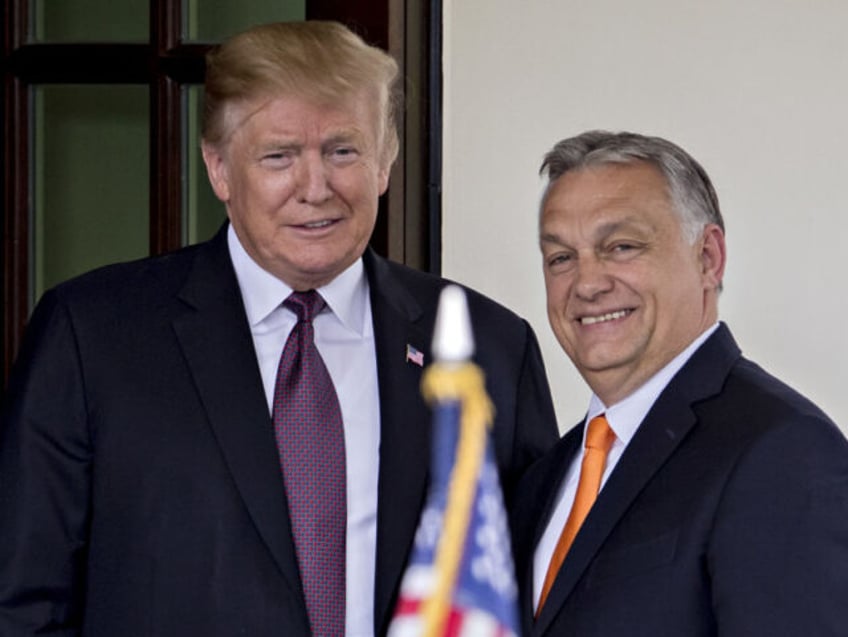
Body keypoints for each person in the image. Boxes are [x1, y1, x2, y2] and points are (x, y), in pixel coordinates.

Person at [0, 21, 558, 636]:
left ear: (385, 163)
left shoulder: (489, 345)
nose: (315, 188)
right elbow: (24, 602)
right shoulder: (92, 336)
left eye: (343, 151)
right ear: (219, 170)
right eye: (279, 156)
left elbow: (534, 598)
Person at [511, 130, 848, 636]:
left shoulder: (781, 451)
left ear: (708, 258)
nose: (586, 283)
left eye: (621, 246)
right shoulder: (543, 480)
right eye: (561, 258)